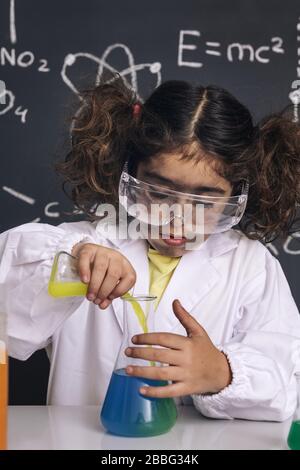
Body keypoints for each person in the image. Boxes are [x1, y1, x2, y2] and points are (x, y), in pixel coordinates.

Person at [1, 74, 300, 421]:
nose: (179, 219)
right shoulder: (87, 244)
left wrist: (222, 373)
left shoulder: (250, 266)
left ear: (235, 196)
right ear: (130, 172)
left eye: (204, 202)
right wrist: (71, 261)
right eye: (159, 193)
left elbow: (289, 385)